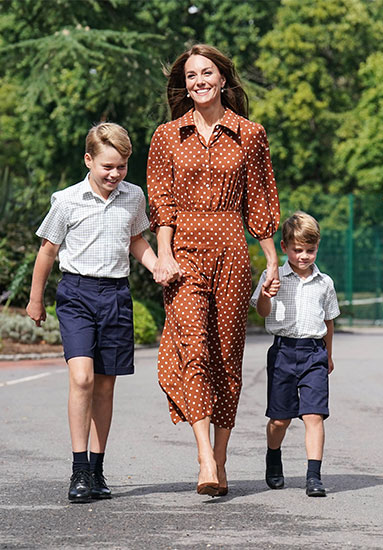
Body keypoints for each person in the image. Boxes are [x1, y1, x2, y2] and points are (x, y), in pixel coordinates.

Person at [147, 44, 280, 497]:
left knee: (227, 357)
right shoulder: (167, 136)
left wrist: (272, 259)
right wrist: (163, 255)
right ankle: (204, 453)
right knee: (194, 349)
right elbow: (161, 206)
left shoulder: (251, 134)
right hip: (183, 254)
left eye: (207, 73)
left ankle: (221, 456)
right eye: (190, 75)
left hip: (232, 251)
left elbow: (260, 201)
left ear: (223, 79)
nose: (199, 81)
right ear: (184, 85)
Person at [26, 123, 157, 503]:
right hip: (77, 295)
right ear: (89, 160)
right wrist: (36, 300)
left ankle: (98, 470)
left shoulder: (133, 197)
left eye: (122, 166)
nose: (115, 174)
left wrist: (157, 266)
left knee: (104, 384)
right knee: (82, 378)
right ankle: (79, 469)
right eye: (107, 167)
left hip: (116, 295)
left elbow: (136, 239)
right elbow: (48, 251)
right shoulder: (66, 200)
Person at [250, 211, 340, 497]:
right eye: (297, 250)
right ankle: (273, 456)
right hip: (283, 352)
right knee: (280, 419)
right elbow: (262, 313)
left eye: (310, 250)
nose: (303, 256)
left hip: (313, 353)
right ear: (285, 248)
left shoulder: (324, 283)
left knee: (314, 415)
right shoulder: (272, 276)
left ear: (317, 248)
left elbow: (329, 321)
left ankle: (313, 475)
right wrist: (266, 294)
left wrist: (328, 354)